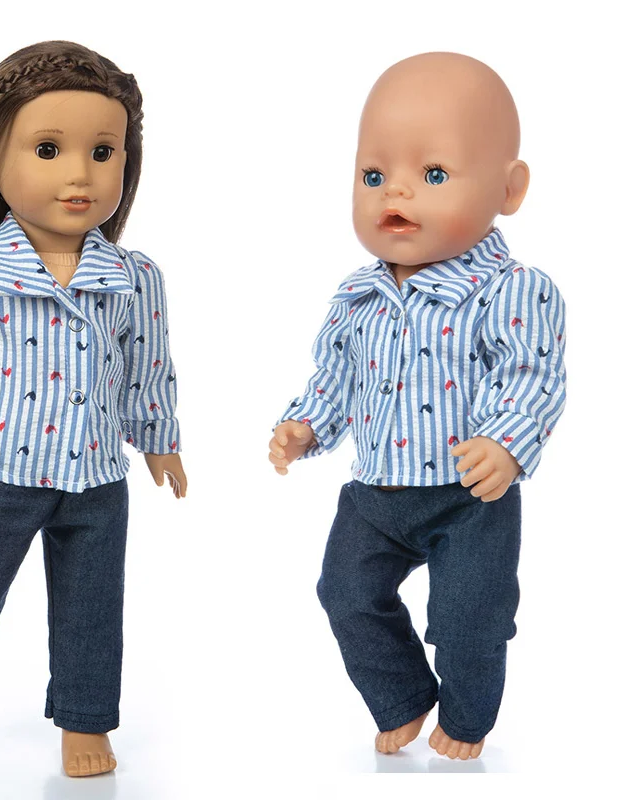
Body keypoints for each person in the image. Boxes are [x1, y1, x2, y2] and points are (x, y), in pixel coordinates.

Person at [0, 40, 187, 777]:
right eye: (48, 150)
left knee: (92, 609)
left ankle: (86, 722)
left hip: (95, 477)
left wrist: (158, 438)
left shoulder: (134, 276)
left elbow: (147, 363)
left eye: (103, 152)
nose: (80, 174)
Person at [268, 52, 566, 760]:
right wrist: (306, 425)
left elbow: (532, 374)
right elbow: (337, 375)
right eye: (373, 176)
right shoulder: (358, 296)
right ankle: (402, 695)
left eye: (434, 174)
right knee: (344, 592)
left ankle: (465, 719)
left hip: (469, 497)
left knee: (469, 617)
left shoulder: (510, 290)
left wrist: (506, 442)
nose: (395, 191)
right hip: (375, 493)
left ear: (508, 189)